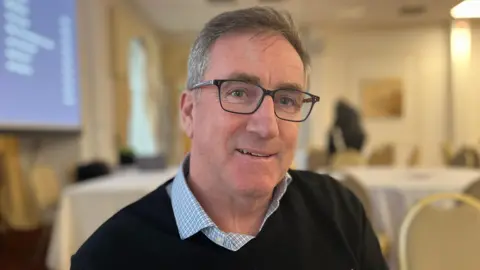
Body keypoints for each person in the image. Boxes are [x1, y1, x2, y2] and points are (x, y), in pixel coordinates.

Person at [71, 7, 388, 270]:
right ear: (189, 112)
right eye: (238, 92)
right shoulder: (108, 257)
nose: (267, 127)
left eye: (287, 100)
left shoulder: (340, 212)